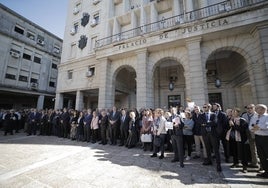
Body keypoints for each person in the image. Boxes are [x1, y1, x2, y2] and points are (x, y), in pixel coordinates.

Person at [226, 108, 249, 173]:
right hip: (232, 138)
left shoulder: (242, 120)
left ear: (238, 113)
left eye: (234, 112)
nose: (232, 113)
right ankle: (235, 162)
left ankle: (245, 166)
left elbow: (242, 129)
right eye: (232, 112)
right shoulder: (231, 119)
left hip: (240, 138)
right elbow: (228, 128)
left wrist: (233, 125)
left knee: (242, 153)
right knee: (234, 151)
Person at [201, 103, 222, 172]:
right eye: (203, 107)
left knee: (216, 149)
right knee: (207, 148)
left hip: (213, 134)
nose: (204, 108)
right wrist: (208, 123)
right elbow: (200, 122)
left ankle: (218, 164)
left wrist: (205, 124)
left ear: (209, 107)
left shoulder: (214, 114)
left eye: (205, 107)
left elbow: (215, 123)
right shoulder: (202, 115)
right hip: (205, 134)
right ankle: (209, 161)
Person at [250, 104, 268, 178]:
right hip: (257, 137)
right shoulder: (255, 117)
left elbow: (266, 126)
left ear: (263, 109)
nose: (257, 110)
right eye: (256, 109)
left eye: (258, 109)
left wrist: (258, 127)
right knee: (261, 155)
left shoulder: (267, 117)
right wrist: (256, 127)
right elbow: (250, 125)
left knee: (267, 155)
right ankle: (266, 171)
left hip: (266, 138)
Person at [241, 104, 259, 168]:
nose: (249, 109)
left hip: (256, 133)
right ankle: (254, 162)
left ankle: (258, 162)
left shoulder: (257, 115)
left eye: (251, 108)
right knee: (252, 148)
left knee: (258, 148)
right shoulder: (244, 115)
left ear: (254, 108)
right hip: (246, 134)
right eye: (248, 108)